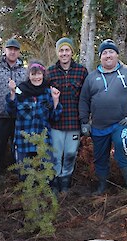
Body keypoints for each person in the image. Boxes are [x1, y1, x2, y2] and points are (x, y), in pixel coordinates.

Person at [79, 39, 127, 194]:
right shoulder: (91, 77)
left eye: (111, 52)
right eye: (104, 53)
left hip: (121, 123)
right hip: (98, 126)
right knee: (100, 157)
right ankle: (102, 186)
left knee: (123, 148)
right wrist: (84, 121)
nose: (108, 55)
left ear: (117, 54)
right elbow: (83, 100)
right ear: (100, 57)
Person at [5, 60, 62, 178]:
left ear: (43, 74)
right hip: (23, 140)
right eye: (33, 74)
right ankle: (28, 195)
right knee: (25, 174)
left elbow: (54, 117)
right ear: (29, 75)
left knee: (47, 173)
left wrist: (56, 100)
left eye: (39, 74)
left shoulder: (48, 92)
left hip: (43, 140)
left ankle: (47, 194)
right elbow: (11, 111)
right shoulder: (20, 90)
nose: (36, 77)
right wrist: (12, 92)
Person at [48, 37, 88, 193]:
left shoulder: (81, 71)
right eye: (61, 50)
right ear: (57, 53)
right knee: (56, 155)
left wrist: (85, 120)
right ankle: (56, 180)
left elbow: (86, 97)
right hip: (56, 122)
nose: (64, 53)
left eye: (67, 50)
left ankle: (66, 179)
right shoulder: (50, 72)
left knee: (71, 153)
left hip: (74, 122)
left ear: (72, 52)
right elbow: (43, 96)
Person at [0, 38, 27, 174]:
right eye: (10, 49)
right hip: (1, 116)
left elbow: (26, 92)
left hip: (20, 117)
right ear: (5, 50)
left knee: (19, 148)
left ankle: (18, 177)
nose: (12, 52)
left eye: (15, 49)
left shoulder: (24, 72)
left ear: (19, 52)